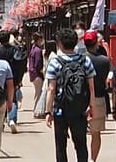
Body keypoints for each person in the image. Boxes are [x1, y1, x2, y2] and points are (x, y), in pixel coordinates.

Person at [46, 28, 97, 162]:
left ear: (60, 44)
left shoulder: (55, 62)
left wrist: (48, 111)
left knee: (61, 146)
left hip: (61, 109)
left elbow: (51, 89)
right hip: (80, 109)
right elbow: (91, 88)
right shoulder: (85, 61)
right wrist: (91, 107)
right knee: (81, 144)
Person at [84, 30, 112, 162]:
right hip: (99, 99)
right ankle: (93, 159)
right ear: (97, 43)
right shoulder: (105, 61)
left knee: (79, 133)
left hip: (81, 99)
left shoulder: (80, 59)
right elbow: (108, 81)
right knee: (96, 133)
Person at [28, 32, 46, 115]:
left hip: (33, 73)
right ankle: (36, 111)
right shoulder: (38, 50)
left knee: (37, 92)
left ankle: (36, 110)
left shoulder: (33, 48)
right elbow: (38, 63)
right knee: (38, 93)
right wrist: (41, 71)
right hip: (37, 74)